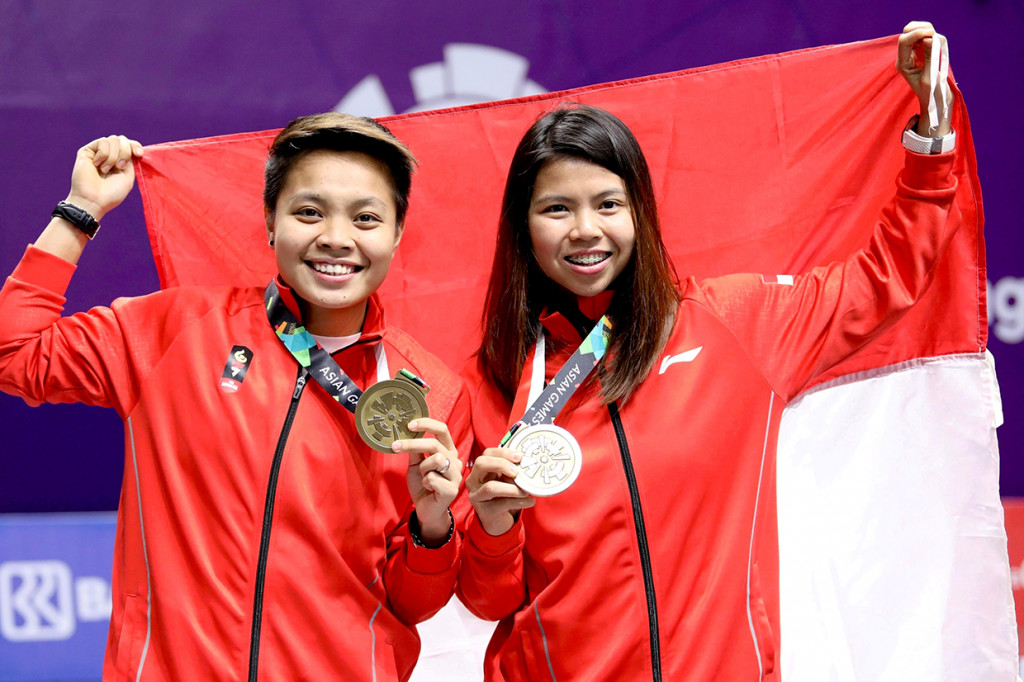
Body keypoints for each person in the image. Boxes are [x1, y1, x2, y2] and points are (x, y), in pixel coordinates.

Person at [456, 22, 958, 681]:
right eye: (556, 208)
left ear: (640, 208)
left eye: (608, 203)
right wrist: (491, 529)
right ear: (523, 226)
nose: (585, 231)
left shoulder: (732, 324)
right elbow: (488, 599)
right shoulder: (496, 378)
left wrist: (930, 142)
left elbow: (882, 278)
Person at [0, 113, 470, 680]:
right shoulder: (173, 331)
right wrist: (80, 212)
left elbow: (416, 603)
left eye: (366, 218)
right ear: (271, 221)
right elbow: (14, 353)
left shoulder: (433, 395)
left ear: (397, 233)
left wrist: (432, 524)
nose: (336, 238)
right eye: (309, 212)